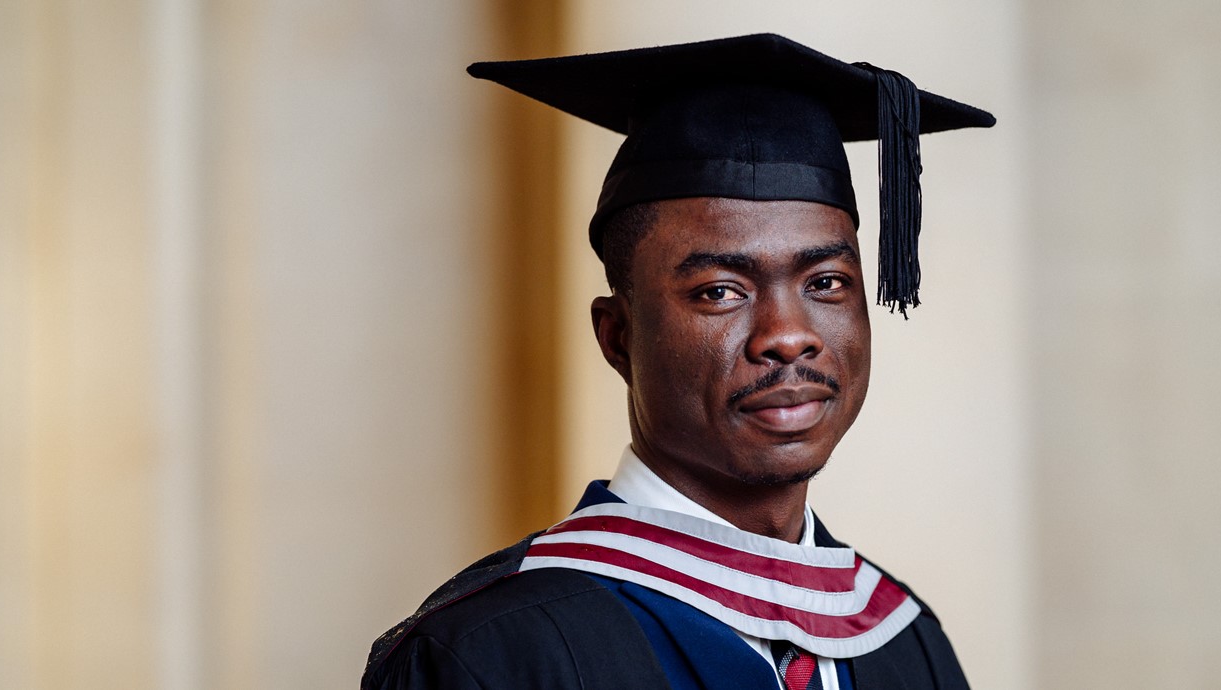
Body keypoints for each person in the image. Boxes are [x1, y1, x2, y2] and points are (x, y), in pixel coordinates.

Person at [362, 33, 994, 689]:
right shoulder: (494, 653)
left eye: (826, 283)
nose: (787, 335)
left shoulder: (906, 645)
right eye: (720, 292)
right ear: (617, 337)